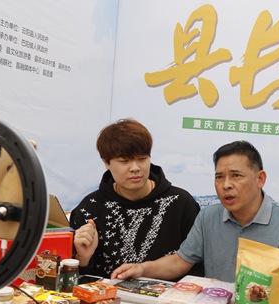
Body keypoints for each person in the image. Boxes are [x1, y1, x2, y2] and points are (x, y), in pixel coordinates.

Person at [111, 140, 279, 283]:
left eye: (236, 176)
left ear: (260, 179)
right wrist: (141, 268)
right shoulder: (209, 216)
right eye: (219, 177)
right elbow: (180, 262)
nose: (226, 185)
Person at [69, 119, 203, 278]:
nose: (135, 168)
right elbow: (74, 281)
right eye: (124, 161)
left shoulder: (181, 203)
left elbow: (196, 266)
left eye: (142, 159)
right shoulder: (90, 208)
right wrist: (83, 259)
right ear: (106, 162)